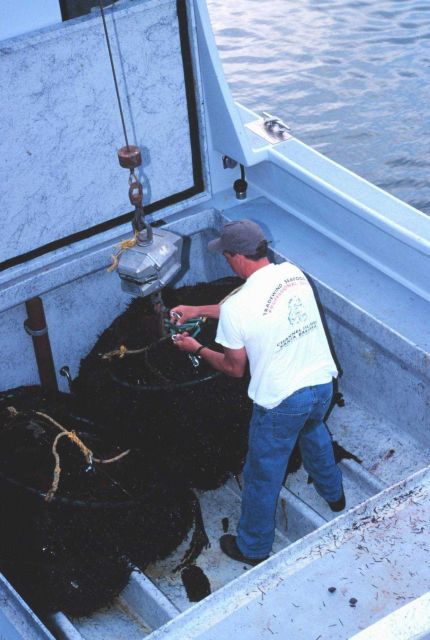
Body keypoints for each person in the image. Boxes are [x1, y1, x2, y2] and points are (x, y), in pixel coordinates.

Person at [171, 219, 344, 566]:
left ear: (236, 257)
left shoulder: (239, 306)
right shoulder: (292, 274)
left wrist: (196, 349)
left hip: (283, 403)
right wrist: (199, 312)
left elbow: (234, 368)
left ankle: (252, 548)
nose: (226, 262)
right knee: (314, 432)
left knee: (262, 474)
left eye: (226, 255)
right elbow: (249, 311)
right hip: (322, 385)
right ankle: (335, 496)